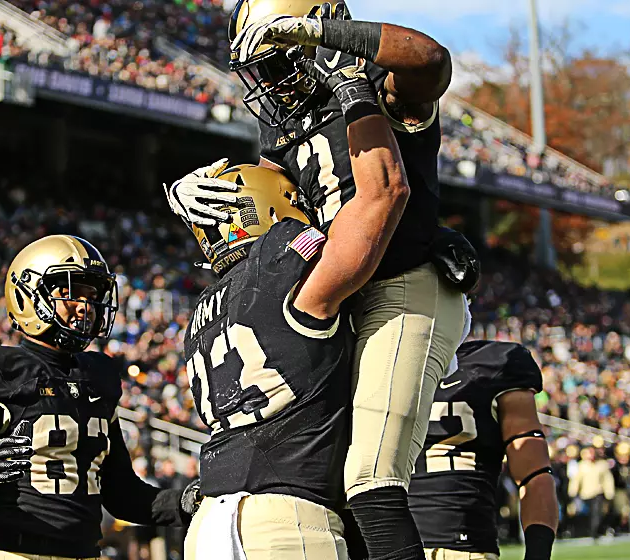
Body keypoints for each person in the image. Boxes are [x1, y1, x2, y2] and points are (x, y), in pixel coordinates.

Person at [165, 3, 477, 557]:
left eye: (278, 60)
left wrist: (336, 46)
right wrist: (193, 199)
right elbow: (278, 206)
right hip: (347, 292)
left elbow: (430, 61)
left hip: (399, 288)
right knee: (329, 484)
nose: (268, 82)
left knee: (371, 480)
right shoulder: (286, 120)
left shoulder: (372, 82)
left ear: (312, 32)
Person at [183, 52, 409, 559]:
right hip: (285, 516)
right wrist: (353, 91)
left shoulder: (201, 311)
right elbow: (383, 195)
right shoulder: (284, 270)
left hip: (209, 523)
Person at [0, 235, 195, 560]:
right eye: (70, 293)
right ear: (29, 295)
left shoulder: (98, 377)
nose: (85, 306)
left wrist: (184, 502)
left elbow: (122, 493)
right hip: (16, 554)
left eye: (92, 295)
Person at [407, 341, 558, 560]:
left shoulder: (493, 362)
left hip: (462, 548)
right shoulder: (373, 357)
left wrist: (538, 554)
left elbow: (534, 474)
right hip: (381, 544)